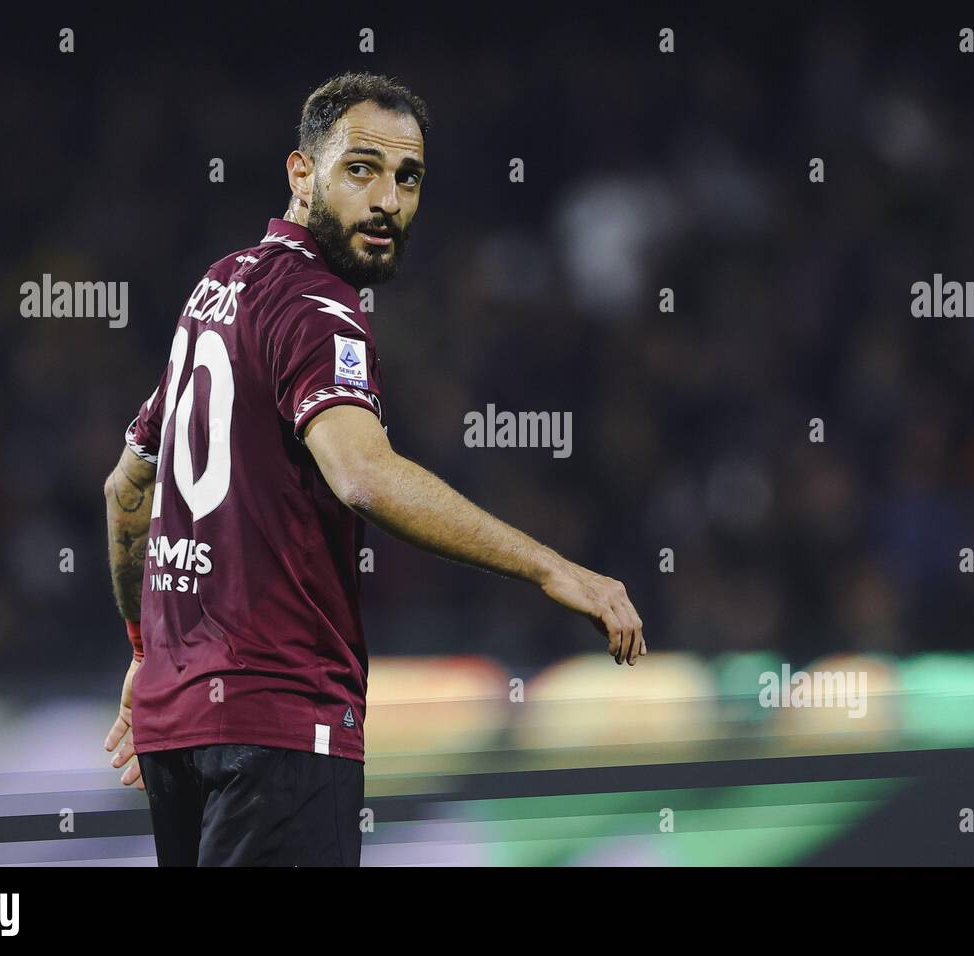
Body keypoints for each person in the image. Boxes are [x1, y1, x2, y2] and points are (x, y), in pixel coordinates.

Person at [101, 72, 645, 867]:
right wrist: (552, 569)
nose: (388, 199)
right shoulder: (320, 311)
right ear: (300, 172)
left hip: (179, 733)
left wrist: (147, 651)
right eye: (361, 169)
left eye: (408, 177)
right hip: (282, 725)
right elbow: (362, 475)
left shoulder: (219, 289)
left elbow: (125, 490)